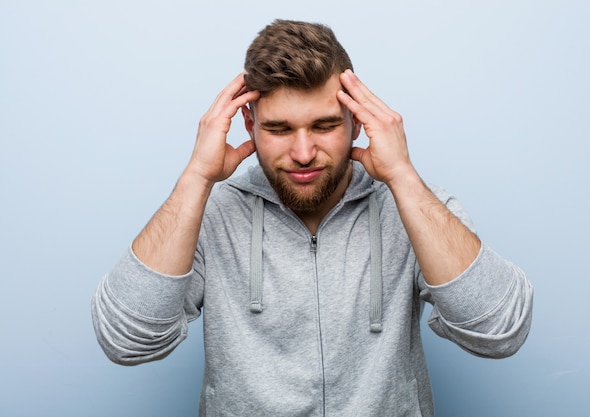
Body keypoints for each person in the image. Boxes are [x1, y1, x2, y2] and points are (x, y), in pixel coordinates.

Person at [92, 19, 533, 417]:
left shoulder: (414, 206)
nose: (303, 153)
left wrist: (402, 176)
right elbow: (125, 341)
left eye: (324, 126)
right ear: (248, 124)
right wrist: (196, 178)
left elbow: (499, 331)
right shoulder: (210, 214)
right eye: (279, 129)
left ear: (357, 123)